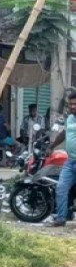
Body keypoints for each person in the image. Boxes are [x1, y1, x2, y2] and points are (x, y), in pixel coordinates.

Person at [46, 92, 76, 227]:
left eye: (75, 104)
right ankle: (61, 218)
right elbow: (64, 133)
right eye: (71, 104)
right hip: (70, 162)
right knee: (61, 188)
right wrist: (52, 146)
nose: (73, 106)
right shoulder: (69, 118)